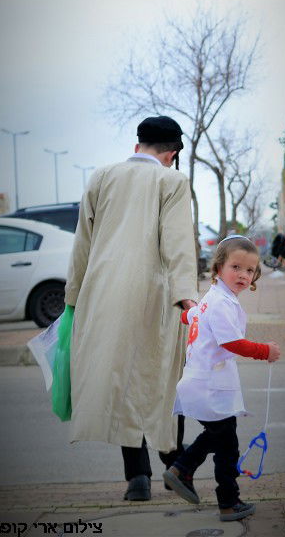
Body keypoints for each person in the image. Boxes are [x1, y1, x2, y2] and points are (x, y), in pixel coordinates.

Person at [64, 115, 198, 501]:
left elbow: (82, 244)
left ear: (137, 146)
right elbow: (176, 245)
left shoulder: (102, 176)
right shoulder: (172, 181)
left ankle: (137, 479)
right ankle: (177, 465)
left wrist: (74, 300)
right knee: (162, 381)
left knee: (122, 380)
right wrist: (187, 297)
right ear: (172, 154)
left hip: (103, 295)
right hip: (154, 296)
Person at [163, 235, 280, 522]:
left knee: (218, 436)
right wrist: (265, 351)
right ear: (218, 269)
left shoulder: (210, 300)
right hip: (209, 387)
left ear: (255, 276)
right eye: (236, 267)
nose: (243, 274)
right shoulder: (221, 304)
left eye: (249, 270)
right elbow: (231, 342)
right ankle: (228, 502)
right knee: (227, 446)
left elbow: (188, 317)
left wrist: (190, 312)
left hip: (200, 384)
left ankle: (182, 469)